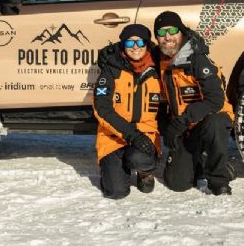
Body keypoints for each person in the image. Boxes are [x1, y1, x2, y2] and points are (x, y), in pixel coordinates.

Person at [153, 11, 235, 195]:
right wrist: (168, 127)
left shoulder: (197, 58)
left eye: (172, 30)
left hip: (208, 120)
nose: (167, 37)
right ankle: (204, 161)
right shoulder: (160, 60)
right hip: (186, 127)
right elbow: (133, 51)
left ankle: (219, 179)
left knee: (216, 123)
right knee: (177, 183)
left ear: (181, 32)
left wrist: (181, 121)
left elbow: (215, 100)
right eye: (161, 33)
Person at [93, 24, 165, 199]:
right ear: (123, 45)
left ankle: (144, 172)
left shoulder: (158, 70)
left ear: (147, 44)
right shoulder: (111, 69)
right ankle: (114, 170)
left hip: (145, 134)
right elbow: (102, 109)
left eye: (140, 42)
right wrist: (132, 135)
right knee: (116, 192)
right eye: (129, 43)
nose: (135, 47)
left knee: (139, 158)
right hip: (113, 137)